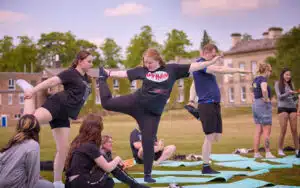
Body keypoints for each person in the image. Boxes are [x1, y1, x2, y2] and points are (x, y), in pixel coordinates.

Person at [98, 48, 222, 182]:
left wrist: (211, 61)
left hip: (151, 115)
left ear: (158, 60)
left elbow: (196, 66)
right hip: (135, 103)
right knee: (107, 103)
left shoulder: (172, 69)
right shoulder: (143, 70)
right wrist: (108, 73)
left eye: (150, 63)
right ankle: (101, 79)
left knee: (148, 141)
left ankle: (147, 176)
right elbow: (124, 73)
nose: (147, 65)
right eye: (145, 62)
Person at [16, 50, 93, 188]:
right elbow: (52, 81)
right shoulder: (70, 73)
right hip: (57, 105)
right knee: (28, 124)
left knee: (63, 148)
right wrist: (35, 91)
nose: (91, 64)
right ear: (80, 61)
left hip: (65, 115)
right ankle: (29, 90)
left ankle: (57, 182)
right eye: (89, 61)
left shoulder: (86, 79)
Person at [186, 44, 251, 174]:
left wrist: (191, 99)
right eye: (213, 54)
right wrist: (239, 70)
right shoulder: (202, 64)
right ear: (206, 53)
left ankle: (199, 115)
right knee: (209, 137)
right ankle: (206, 166)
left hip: (214, 104)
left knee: (217, 136)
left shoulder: (203, 68)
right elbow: (220, 69)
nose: (215, 57)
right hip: (207, 104)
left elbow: (194, 84)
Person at [65, 114, 120, 188]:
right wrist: (118, 159)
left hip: (70, 183)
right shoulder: (90, 146)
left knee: (107, 180)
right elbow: (108, 167)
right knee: (108, 180)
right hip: (81, 182)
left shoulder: (77, 141)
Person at [0, 114, 54, 188]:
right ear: (37, 128)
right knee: (50, 186)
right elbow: (32, 179)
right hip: (15, 184)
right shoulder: (33, 145)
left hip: (3, 183)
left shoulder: (14, 141)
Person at [252, 62, 276, 159]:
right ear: (266, 70)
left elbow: (252, 93)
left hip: (255, 105)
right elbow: (264, 90)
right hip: (263, 105)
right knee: (267, 130)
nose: (270, 73)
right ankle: (268, 153)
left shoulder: (255, 80)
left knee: (258, 130)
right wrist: (266, 99)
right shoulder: (263, 79)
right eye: (270, 71)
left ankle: (256, 153)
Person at [274, 68, 300, 157]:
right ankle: (280, 149)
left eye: (289, 75)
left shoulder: (291, 84)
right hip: (282, 108)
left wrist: (297, 97)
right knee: (283, 130)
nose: (288, 76)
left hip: (292, 108)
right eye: (287, 74)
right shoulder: (277, 84)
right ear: (282, 75)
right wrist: (288, 93)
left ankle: (297, 150)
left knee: (294, 130)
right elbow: (279, 97)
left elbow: (293, 98)